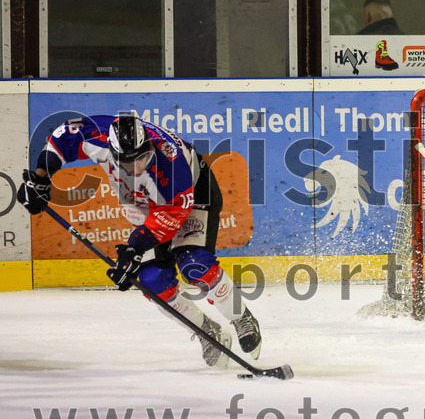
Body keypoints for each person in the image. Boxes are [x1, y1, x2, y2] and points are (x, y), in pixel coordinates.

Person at [17, 115, 263, 368]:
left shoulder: (171, 166)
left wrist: (134, 249)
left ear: (149, 147)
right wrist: (40, 178)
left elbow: (169, 219)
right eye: (128, 162)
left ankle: (240, 316)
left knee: (195, 264)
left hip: (192, 194)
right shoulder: (98, 135)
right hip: (145, 207)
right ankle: (206, 331)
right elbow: (63, 138)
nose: (136, 168)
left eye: (142, 158)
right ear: (112, 152)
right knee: (153, 283)